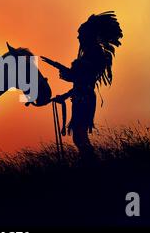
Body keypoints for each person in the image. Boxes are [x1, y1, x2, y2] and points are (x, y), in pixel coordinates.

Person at [41, 11, 123, 163]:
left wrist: (56, 65)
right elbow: (79, 83)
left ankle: (92, 166)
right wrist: (64, 97)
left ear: (87, 36)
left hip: (84, 99)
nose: (78, 37)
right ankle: (90, 165)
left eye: (80, 34)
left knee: (79, 136)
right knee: (79, 136)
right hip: (81, 98)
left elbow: (81, 78)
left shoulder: (94, 54)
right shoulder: (91, 54)